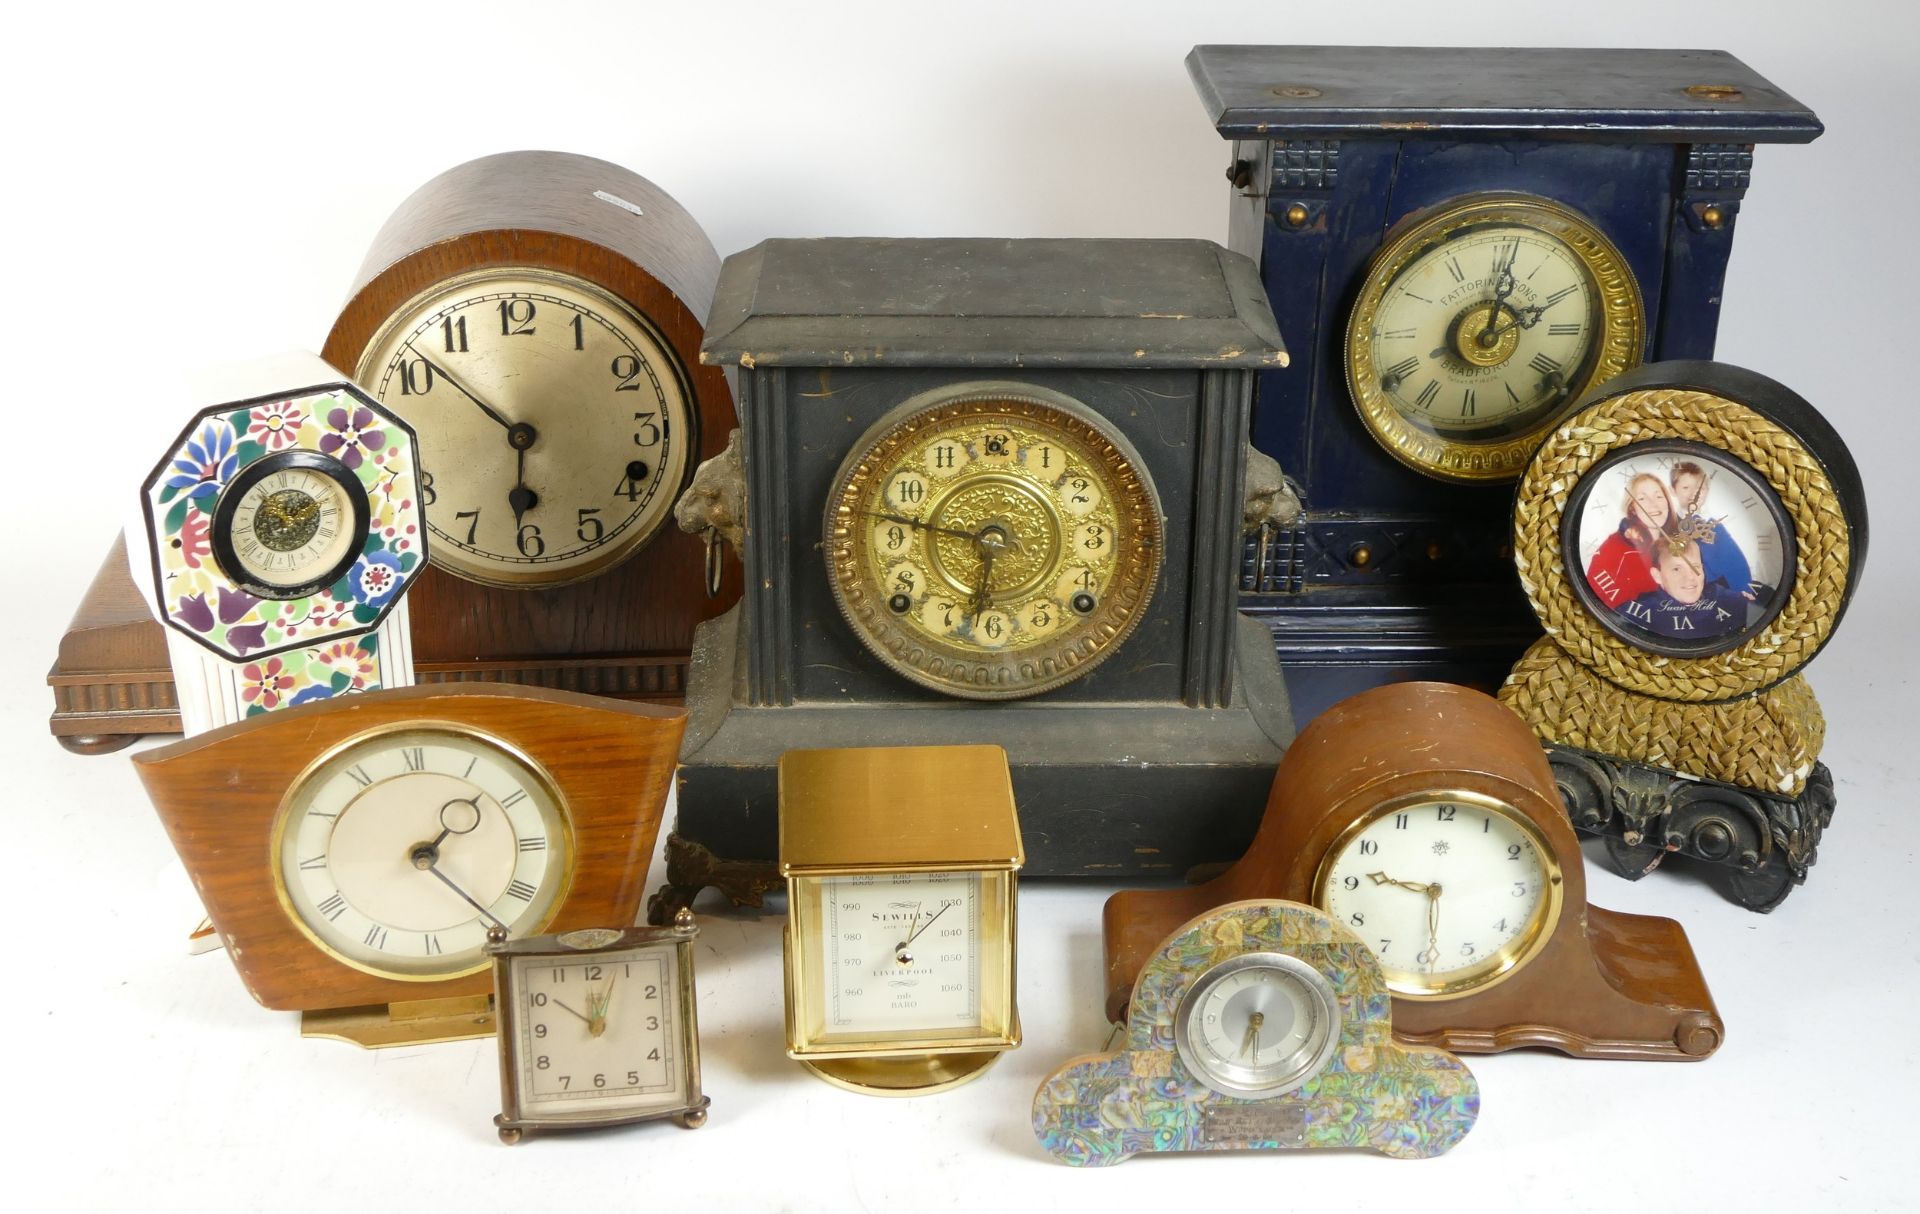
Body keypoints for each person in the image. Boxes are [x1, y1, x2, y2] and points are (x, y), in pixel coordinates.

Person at [1622, 537, 1749, 641]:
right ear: (1657, 576)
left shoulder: (1731, 601)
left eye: (1695, 567)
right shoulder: (1632, 615)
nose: (1690, 578)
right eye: (1676, 569)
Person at [1583, 473, 1677, 608]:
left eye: (1659, 496)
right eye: (1642, 499)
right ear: (1632, 508)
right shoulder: (1616, 545)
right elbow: (1598, 598)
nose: (1653, 503)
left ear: (1668, 502)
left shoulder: (1679, 543)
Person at [1669, 461, 1754, 599]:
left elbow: (1733, 558)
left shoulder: (1714, 526)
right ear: (1673, 490)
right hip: (1691, 590)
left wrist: (1742, 589)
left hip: (1723, 589)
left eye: (1700, 489)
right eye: (1685, 487)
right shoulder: (1670, 524)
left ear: (1707, 491)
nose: (1693, 494)